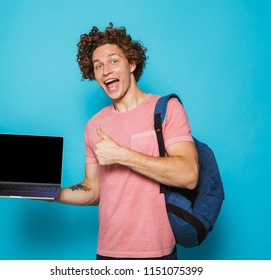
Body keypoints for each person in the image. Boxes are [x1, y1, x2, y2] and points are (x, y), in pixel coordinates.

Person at [55, 23, 199, 260]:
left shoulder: (166, 109)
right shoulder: (93, 126)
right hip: (108, 253)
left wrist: (122, 155)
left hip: (157, 253)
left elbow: (190, 175)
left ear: (131, 64)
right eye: (98, 66)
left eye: (113, 61)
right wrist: (49, 193)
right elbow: (93, 191)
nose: (105, 71)